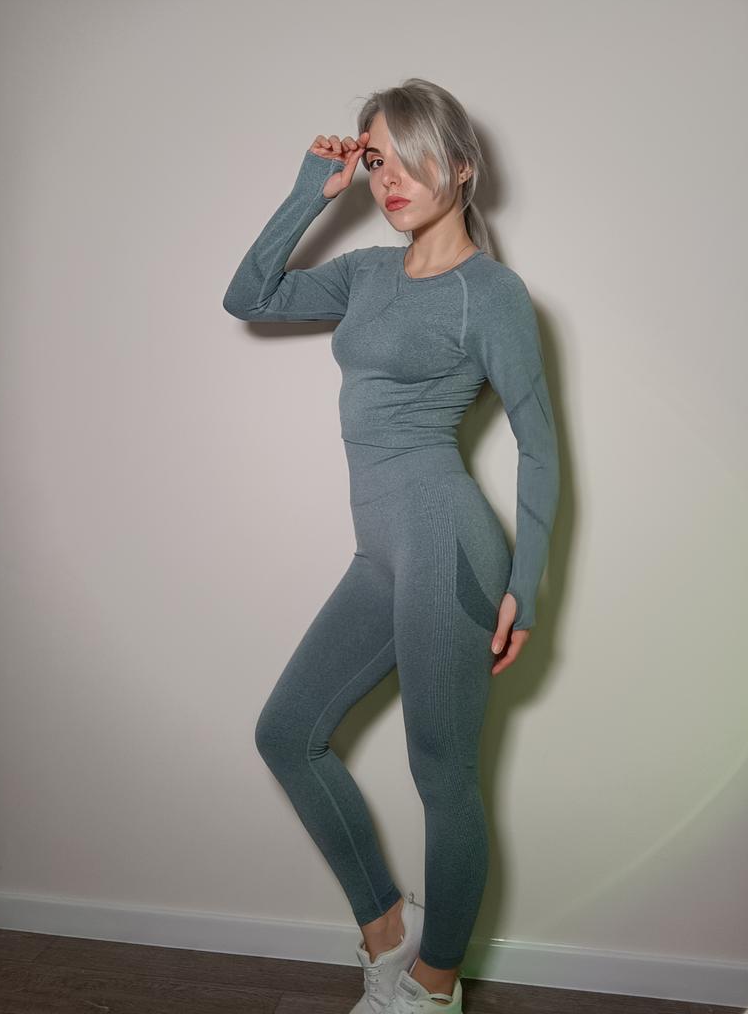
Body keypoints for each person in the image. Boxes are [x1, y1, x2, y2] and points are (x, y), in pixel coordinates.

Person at [223, 77, 560, 1014]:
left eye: (409, 157)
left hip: (448, 548)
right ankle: (385, 930)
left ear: (461, 166)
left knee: (440, 776)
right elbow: (247, 297)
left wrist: (526, 585)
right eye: (376, 161)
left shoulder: (490, 294)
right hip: (379, 552)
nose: (389, 179)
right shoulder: (366, 273)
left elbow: (538, 444)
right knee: (287, 733)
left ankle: (432, 986)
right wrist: (312, 189)